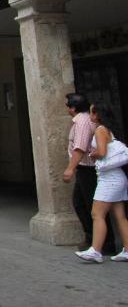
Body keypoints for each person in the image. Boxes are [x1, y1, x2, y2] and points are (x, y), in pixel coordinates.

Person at [75, 102, 128, 263]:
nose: (89, 115)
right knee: (120, 216)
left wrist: (93, 153)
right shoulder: (108, 129)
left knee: (97, 213)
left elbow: (102, 152)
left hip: (109, 178)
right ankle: (126, 249)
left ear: (97, 114)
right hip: (116, 177)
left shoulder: (99, 130)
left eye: (91, 112)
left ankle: (96, 250)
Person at [63, 93, 115, 254]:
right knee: (81, 203)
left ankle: (104, 243)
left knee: (94, 207)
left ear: (73, 107)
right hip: (84, 169)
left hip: (88, 169)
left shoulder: (83, 122)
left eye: (67, 105)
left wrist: (70, 168)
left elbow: (80, 147)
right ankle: (94, 238)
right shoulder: (83, 120)